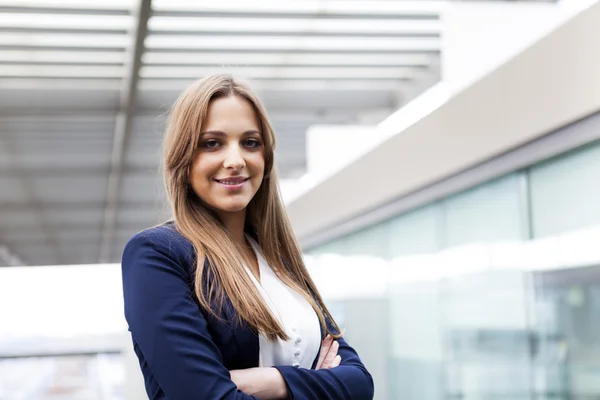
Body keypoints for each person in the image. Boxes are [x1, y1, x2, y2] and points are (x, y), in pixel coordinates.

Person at [121, 74, 374, 399]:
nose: (235, 160)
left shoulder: (278, 259)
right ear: (184, 158)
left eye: (250, 143)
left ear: (266, 158)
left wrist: (270, 381)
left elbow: (359, 383)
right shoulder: (157, 255)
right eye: (212, 143)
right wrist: (318, 387)